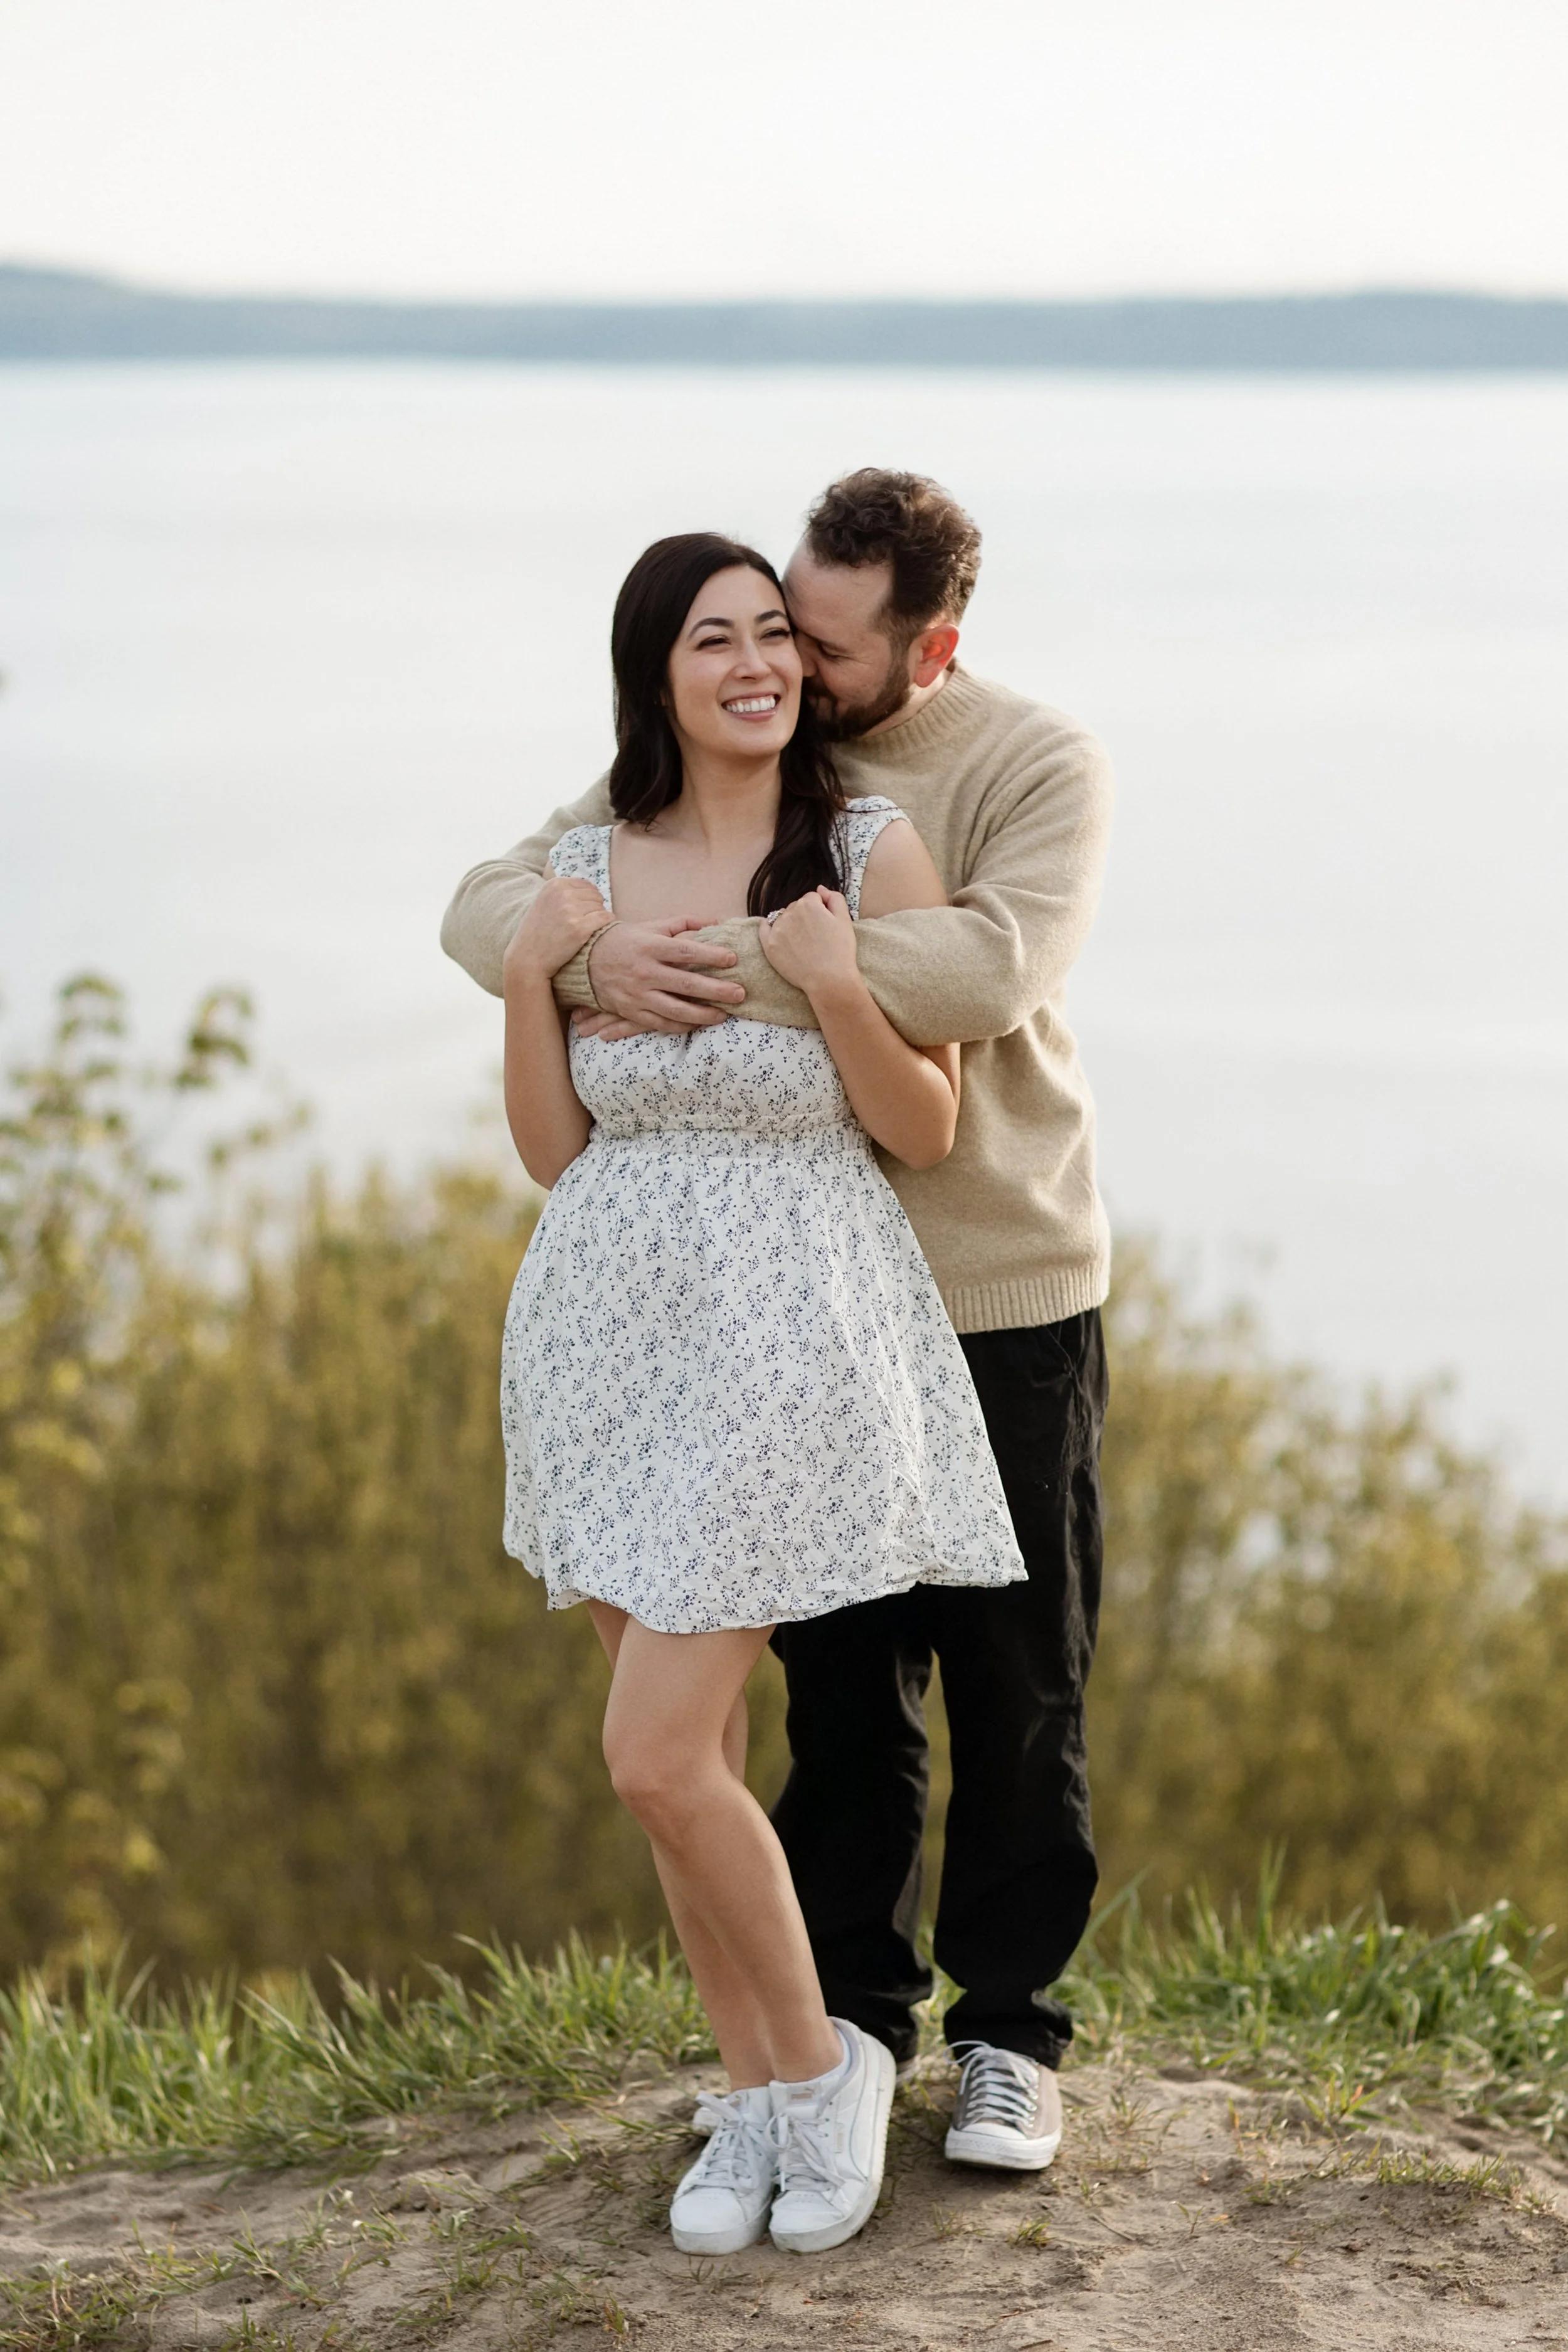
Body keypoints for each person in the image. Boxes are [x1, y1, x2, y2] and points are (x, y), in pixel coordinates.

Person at [445, 470, 1113, 2179]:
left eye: (815, 643)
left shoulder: (1022, 766)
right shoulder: (724, 752)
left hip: (988, 1280)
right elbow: (497, 902)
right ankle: (840, 2032)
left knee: (1015, 1682)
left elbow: (977, 980)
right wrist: (577, 965)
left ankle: (1007, 2033)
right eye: (759, 631)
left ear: (926, 644)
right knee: (835, 1705)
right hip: (768, 1319)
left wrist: (716, 956)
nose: (784, 669)